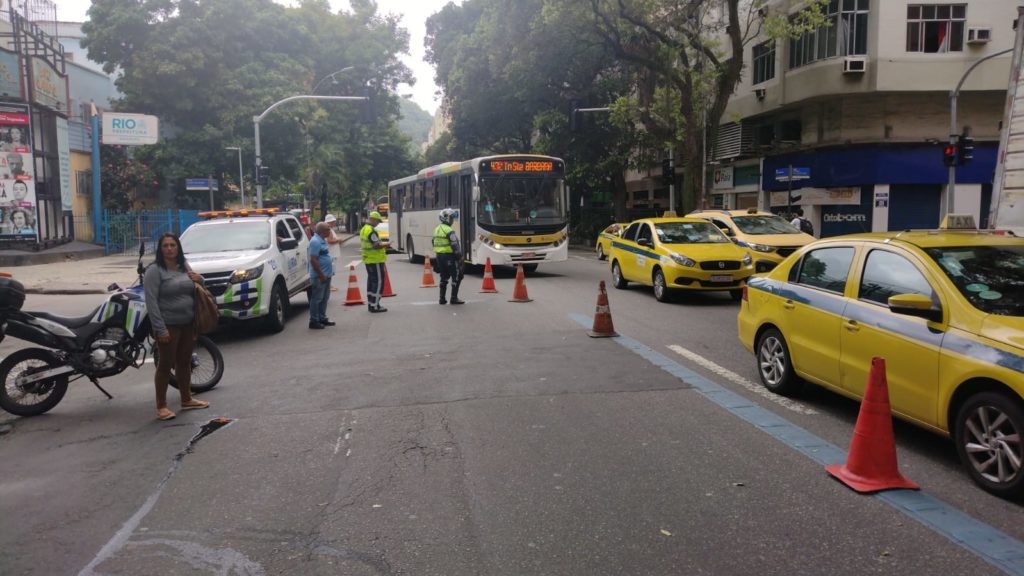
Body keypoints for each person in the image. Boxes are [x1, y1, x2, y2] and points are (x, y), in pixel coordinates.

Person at [143, 232, 210, 421]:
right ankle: (161, 406)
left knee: (184, 361)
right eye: (165, 246)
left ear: (178, 248)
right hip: (168, 325)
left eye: (173, 245)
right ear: (160, 249)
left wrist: (200, 279)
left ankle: (186, 398)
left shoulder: (183, 266)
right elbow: (151, 302)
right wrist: (160, 329)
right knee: (165, 364)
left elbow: (195, 286)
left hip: (188, 323)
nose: (170, 249)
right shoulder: (154, 270)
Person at [360, 211, 390, 313]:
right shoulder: (371, 231)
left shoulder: (364, 229)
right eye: (378, 221)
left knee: (371, 282)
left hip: (368, 259)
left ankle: (371, 303)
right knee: (378, 283)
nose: (378, 223)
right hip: (375, 259)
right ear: (373, 219)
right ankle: (375, 305)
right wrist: (386, 244)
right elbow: (376, 245)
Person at [433, 207, 464, 305]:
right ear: (446, 218)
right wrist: (460, 257)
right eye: (451, 218)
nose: (452, 220)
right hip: (449, 256)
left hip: (439, 256)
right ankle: (453, 298)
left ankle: (442, 299)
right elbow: (454, 244)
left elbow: (433, 242)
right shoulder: (449, 230)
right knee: (458, 276)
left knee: (444, 277)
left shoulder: (437, 229)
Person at [308, 221, 335, 329]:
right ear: (322, 231)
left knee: (324, 298)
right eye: (328, 229)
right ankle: (314, 320)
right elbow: (313, 260)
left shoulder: (321, 240)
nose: (330, 231)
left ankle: (322, 317)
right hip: (319, 276)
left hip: (326, 275)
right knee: (317, 298)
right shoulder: (315, 242)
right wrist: (321, 274)